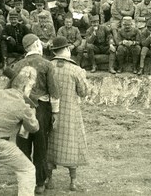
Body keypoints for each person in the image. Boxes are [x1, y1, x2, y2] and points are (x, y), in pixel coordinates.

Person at [0, 66, 39, 196]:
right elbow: (34, 128)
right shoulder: (23, 106)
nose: (30, 90)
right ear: (24, 88)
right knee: (27, 169)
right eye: (30, 88)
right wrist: (31, 112)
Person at [11, 33, 60, 194]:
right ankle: (39, 182)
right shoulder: (47, 65)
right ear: (37, 45)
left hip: (21, 109)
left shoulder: (17, 65)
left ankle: (25, 181)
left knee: (23, 144)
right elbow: (54, 91)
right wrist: (55, 112)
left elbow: (9, 90)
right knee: (41, 145)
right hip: (41, 109)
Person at [46, 35, 88, 192]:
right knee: (71, 144)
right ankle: (73, 181)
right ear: (67, 49)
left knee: (50, 144)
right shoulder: (75, 70)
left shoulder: (48, 66)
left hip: (50, 112)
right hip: (70, 113)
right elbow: (83, 92)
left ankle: (49, 180)